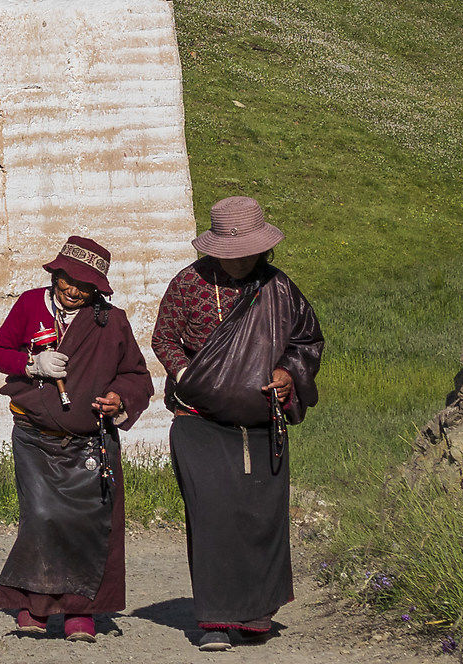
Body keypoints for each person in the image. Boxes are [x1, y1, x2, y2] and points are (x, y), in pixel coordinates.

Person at [151, 196, 325, 650]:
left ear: (264, 249)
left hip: (262, 423)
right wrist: (188, 374)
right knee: (213, 517)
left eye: (248, 252)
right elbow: (164, 336)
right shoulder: (188, 284)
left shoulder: (280, 289)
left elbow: (307, 339)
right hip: (199, 421)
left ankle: (252, 614)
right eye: (231, 254)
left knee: (260, 518)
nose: (240, 261)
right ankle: (214, 619)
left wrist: (288, 373)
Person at [0, 235, 155, 642]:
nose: (73, 291)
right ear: (55, 274)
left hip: (89, 443)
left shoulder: (111, 321)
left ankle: (82, 612)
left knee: (88, 524)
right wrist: (31, 364)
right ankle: (35, 605)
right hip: (34, 437)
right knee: (42, 517)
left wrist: (119, 400)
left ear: (96, 288)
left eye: (83, 286)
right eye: (66, 282)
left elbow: (136, 376)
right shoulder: (30, 304)